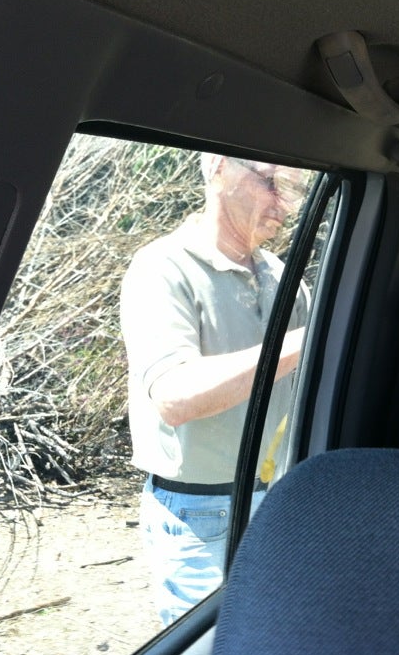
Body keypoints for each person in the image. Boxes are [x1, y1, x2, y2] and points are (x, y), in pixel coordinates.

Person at [119, 153, 311, 626]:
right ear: (217, 168)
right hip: (199, 516)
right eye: (269, 181)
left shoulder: (285, 277)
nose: (282, 203)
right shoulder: (162, 268)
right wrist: (307, 341)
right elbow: (176, 397)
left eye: (291, 188)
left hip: (282, 502)